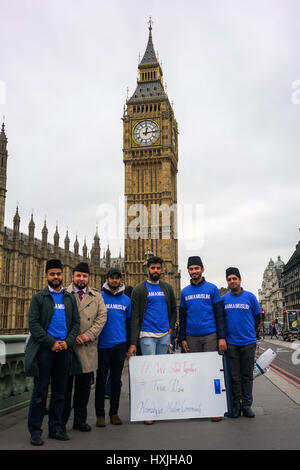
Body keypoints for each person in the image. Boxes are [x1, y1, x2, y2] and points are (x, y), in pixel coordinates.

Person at [25, 259, 81, 446]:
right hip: (44, 351)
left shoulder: (69, 298)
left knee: (60, 393)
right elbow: (33, 325)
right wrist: (51, 343)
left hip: (64, 350)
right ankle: (35, 431)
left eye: (58, 274)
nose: (56, 277)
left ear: (62, 275)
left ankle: (55, 428)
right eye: (52, 274)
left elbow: (75, 324)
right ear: (46, 275)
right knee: (40, 393)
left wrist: (67, 342)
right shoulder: (39, 298)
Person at [127, 255, 177, 424]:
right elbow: (134, 316)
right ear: (147, 269)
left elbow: (173, 309)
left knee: (160, 372)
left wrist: (170, 328)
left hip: (164, 335)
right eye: (153, 268)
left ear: (161, 269)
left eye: (158, 268)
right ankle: (148, 409)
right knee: (149, 374)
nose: (156, 271)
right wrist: (133, 342)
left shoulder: (167, 287)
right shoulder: (139, 289)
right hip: (147, 335)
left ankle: (159, 406)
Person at [178, 255, 227, 422]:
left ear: (202, 269)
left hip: (211, 335)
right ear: (188, 271)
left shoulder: (212, 289)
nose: (194, 271)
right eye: (191, 269)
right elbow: (182, 317)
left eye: (196, 268)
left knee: (213, 373)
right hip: (191, 337)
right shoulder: (184, 292)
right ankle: (197, 407)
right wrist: (182, 338)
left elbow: (219, 315)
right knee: (195, 375)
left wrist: (221, 338)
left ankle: (215, 408)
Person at [62, 262, 107, 432]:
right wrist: (71, 337)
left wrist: (87, 335)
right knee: (65, 389)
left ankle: (80, 421)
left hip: (87, 346)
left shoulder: (96, 296)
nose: (81, 279)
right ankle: (61, 422)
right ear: (72, 276)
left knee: (83, 389)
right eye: (78, 275)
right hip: (68, 346)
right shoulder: (63, 293)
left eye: (85, 276)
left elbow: (102, 318)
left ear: (89, 277)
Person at [222, 267, 261, 418]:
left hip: (248, 343)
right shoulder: (224, 299)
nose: (232, 281)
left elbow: (257, 317)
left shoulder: (250, 297)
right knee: (234, 377)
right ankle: (236, 406)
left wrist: (251, 331)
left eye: (234, 278)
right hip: (231, 343)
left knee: (246, 376)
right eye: (229, 279)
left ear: (240, 279)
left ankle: (246, 406)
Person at [95, 268, 131, 427]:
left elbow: (129, 324)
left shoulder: (126, 300)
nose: (115, 280)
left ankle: (114, 413)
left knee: (116, 381)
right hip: (102, 345)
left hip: (119, 345)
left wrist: (130, 345)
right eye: (112, 278)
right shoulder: (99, 298)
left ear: (120, 280)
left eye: (117, 278)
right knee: (101, 381)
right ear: (107, 279)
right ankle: (100, 415)